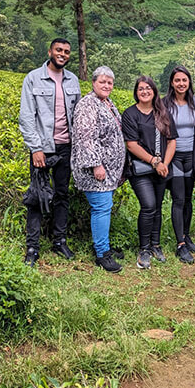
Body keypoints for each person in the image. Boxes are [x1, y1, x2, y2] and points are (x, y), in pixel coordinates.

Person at [18, 38, 81, 267]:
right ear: (50, 52)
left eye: (66, 51)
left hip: (66, 147)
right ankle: (32, 247)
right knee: (37, 196)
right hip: (43, 148)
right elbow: (26, 117)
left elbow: (78, 115)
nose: (62, 54)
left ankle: (59, 240)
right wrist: (35, 148)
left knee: (62, 195)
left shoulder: (73, 79)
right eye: (59, 50)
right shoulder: (33, 78)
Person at [71, 66, 127, 273]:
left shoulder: (107, 103)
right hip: (95, 170)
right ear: (93, 83)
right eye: (102, 82)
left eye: (110, 82)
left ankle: (105, 246)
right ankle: (102, 253)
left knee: (105, 207)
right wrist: (97, 165)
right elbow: (86, 138)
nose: (106, 85)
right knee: (101, 208)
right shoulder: (87, 104)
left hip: (109, 171)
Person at [122, 75, 177, 270]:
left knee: (158, 206)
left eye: (148, 88)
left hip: (161, 168)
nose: (144, 91)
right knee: (148, 205)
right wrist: (155, 161)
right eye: (140, 89)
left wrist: (165, 164)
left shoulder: (162, 112)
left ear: (154, 91)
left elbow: (171, 141)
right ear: (136, 92)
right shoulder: (130, 114)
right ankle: (144, 248)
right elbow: (131, 144)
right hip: (140, 169)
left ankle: (155, 244)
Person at [164, 66, 195, 263]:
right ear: (172, 83)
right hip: (174, 157)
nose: (181, 84)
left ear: (189, 82)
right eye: (177, 80)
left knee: (188, 198)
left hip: (191, 156)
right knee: (178, 199)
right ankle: (180, 245)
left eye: (184, 80)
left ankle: (185, 235)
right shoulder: (164, 103)